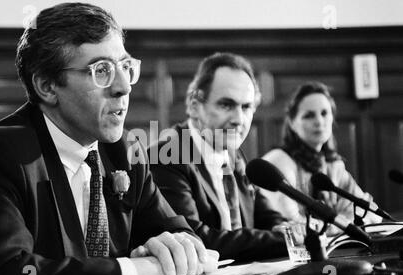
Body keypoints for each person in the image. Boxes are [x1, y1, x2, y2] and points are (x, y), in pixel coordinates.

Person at [0, 2, 218, 275]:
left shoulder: (125, 152)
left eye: (124, 66)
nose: (124, 87)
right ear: (47, 86)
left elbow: (181, 235)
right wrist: (137, 270)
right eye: (102, 70)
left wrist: (175, 247)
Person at [148, 52, 292, 262]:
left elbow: (265, 215)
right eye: (226, 105)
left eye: (246, 107)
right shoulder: (167, 156)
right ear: (194, 106)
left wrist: (285, 228)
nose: (238, 119)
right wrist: (284, 240)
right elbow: (194, 239)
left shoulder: (233, 154)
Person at [262, 81, 382, 236]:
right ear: (292, 123)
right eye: (309, 115)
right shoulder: (278, 161)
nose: (319, 122)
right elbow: (295, 227)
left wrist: (333, 225)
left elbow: (370, 212)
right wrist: (343, 223)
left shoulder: (333, 165)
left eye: (324, 113)